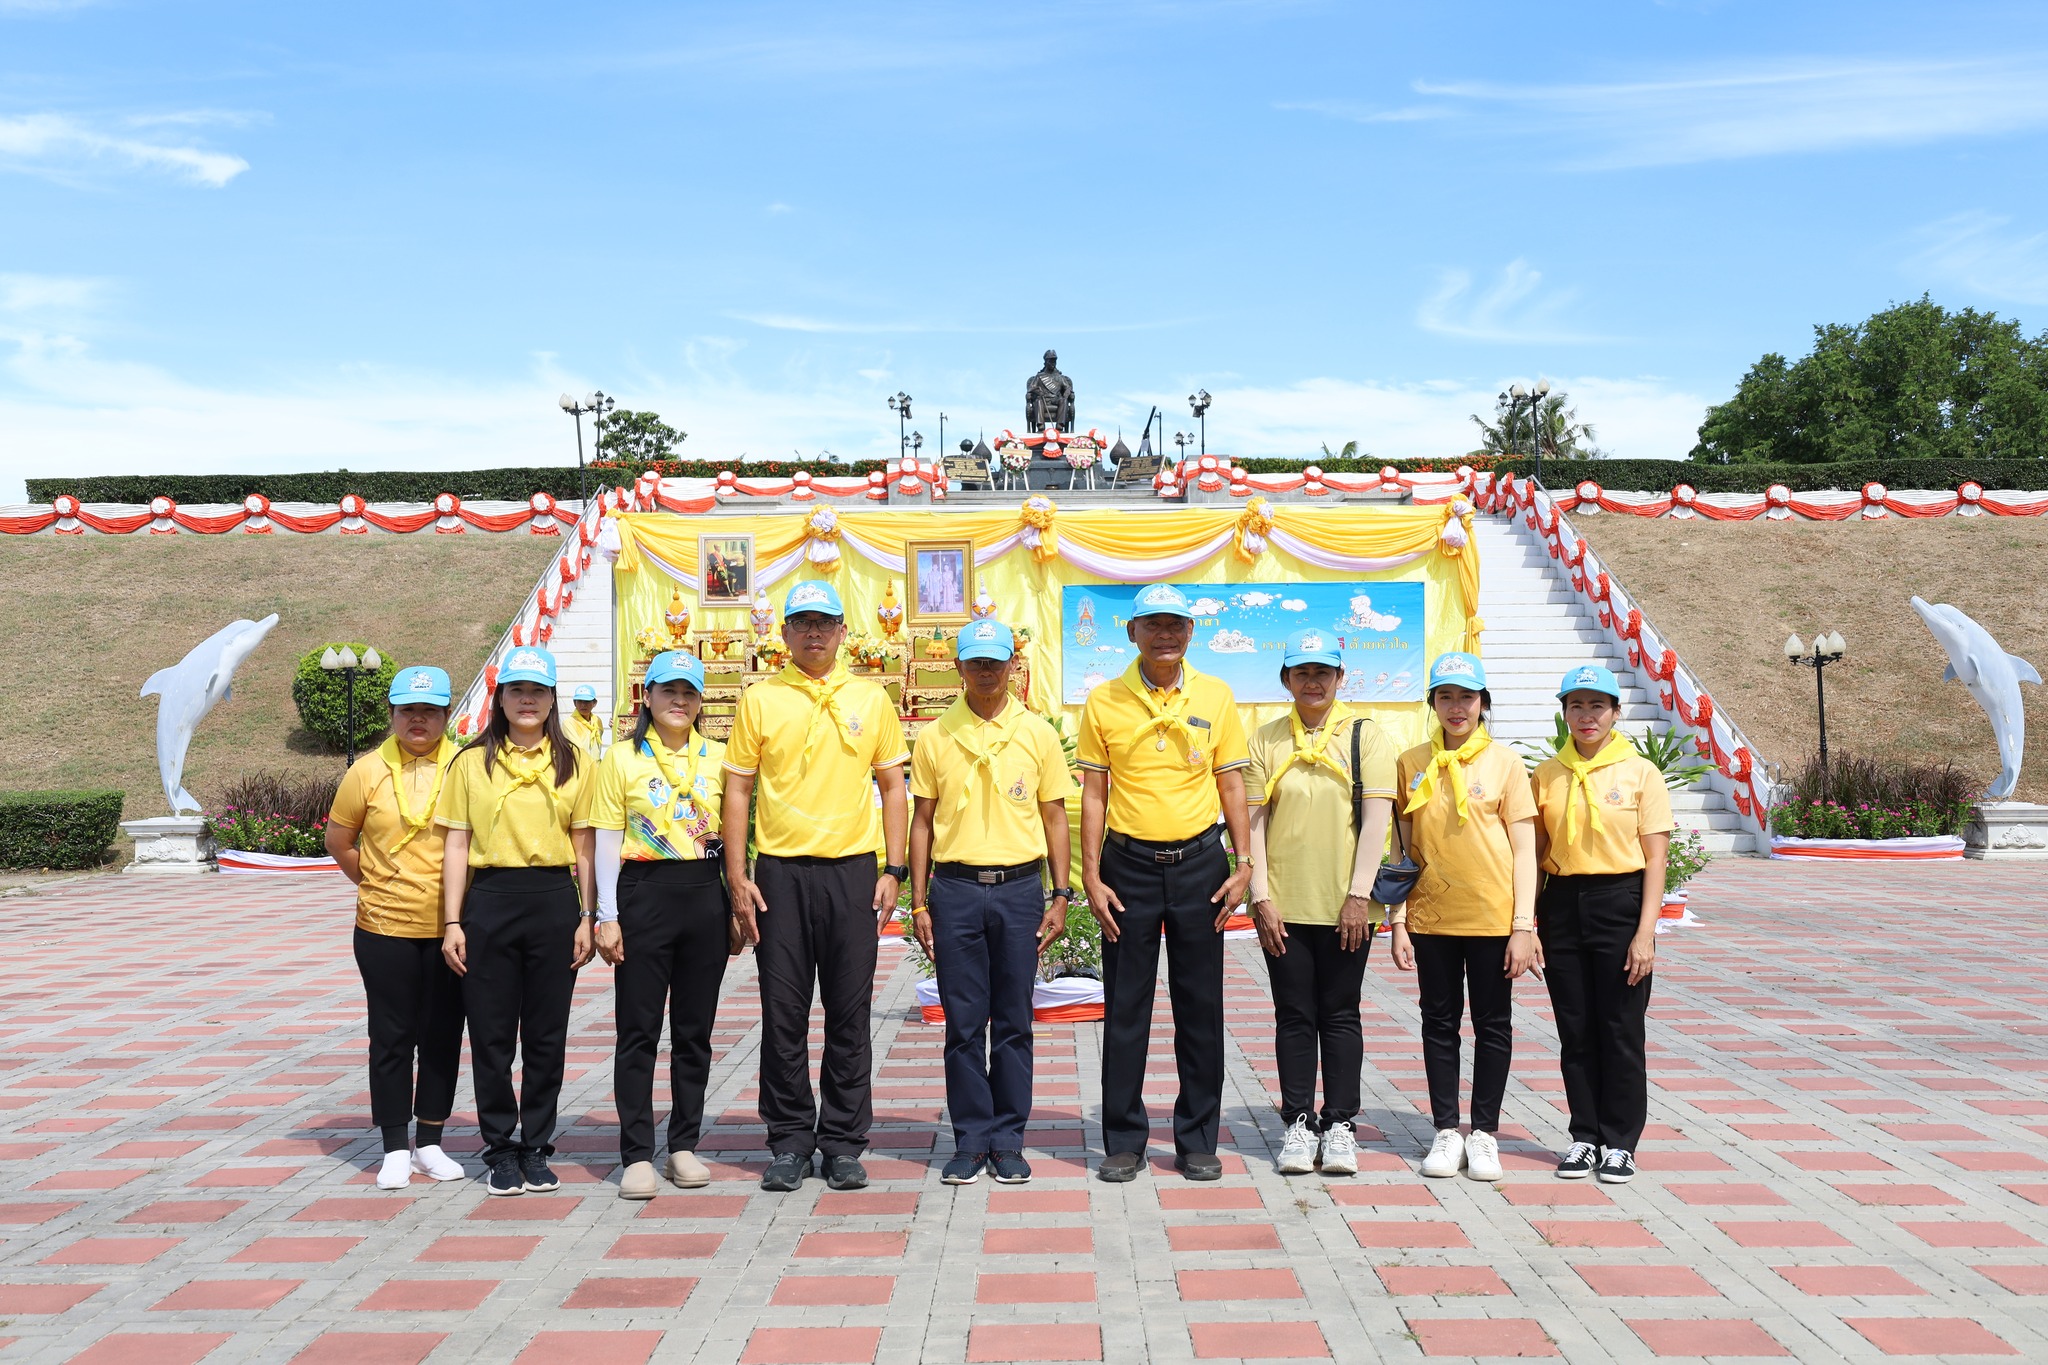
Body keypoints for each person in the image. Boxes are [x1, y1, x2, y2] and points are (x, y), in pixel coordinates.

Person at [723, 579, 910, 1193]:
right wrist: (738, 874)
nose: (812, 633)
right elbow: (739, 790)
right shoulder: (761, 699)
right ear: (783, 634)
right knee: (783, 1012)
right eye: (801, 622)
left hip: (853, 872)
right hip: (780, 873)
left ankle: (843, 1140)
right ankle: (789, 1139)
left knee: (850, 1012)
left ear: (841, 632)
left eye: (823, 623)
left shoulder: (871, 699)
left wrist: (893, 869)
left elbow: (891, 788)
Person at [1077, 582, 1253, 1183]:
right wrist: (1091, 874)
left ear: (1190, 632)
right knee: (1126, 1009)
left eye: (1176, 624)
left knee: (1200, 1008)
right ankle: (1123, 1139)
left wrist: (1244, 862)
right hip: (1127, 869)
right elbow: (1094, 792)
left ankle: (1197, 1138)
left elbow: (1232, 785)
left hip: (1202, 865)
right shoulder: (1104, 701)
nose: (1165, 634)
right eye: (1152, 624)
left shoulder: (1217, 696)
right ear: (1132, 633)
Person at [906, 619, 1073, 1186]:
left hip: (1020, 890)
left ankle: (1008, 1139)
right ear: (958, 667)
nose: (985, 670)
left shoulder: (1037, 734)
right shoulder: (935, 737)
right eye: (975, 661)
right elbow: (922, 821)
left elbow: (1054, 815)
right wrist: (919, 902)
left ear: (1012, 666)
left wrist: (1061, 892)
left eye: (994, 661)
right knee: (962, 1022)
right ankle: (971, 1138)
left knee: (1014, 1020)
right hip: (953, 891)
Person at [436, 646, 595, 1197]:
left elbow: (584, 845)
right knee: (492, 1034)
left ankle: (537, 1146)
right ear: (498, 698)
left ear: (552, 699)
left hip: (553, 900)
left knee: (547, 1035)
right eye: (516, 690)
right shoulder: (470, 762)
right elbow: (456, 844)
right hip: (490, 901)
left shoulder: (575, 761)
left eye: (538, 691)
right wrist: (452, 921)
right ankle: (500, 1148)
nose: (527, 701)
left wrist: (587, 914)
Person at [1246, 630, 1397, 1177]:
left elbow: (1377, 821)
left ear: (1340, 677)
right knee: (1292, 1015)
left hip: (1345, 907)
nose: (1312, 681)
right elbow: (1253, 824)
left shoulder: (1366, 735)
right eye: (1301, 672)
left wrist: (1359, 896)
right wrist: (1260, 896)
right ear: (1286, 679)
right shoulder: (1265, 739)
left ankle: (1339, 1125)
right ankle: (1296, 1122)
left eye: (1323, 672)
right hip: (1283, 905)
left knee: (1339, 1013)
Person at [1389, 652, 1538, 1184]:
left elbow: (1525, 850)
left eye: (1467, 697)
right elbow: (1402, 850)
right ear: (1432, 702)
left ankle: (1485, 1134)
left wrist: (1524, 926)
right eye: (1446, 696)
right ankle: (1447, 1130)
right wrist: (1400, 920)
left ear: (1483, 704)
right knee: (1439, 1023)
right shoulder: (1410, 763)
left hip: (1495, 920)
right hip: (1432, 918)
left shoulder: (1506, 764)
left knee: (1493, 1025)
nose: (1457, 708)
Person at [591, 650, 733, 1200]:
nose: (679, 700)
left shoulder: (720, 757)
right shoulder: (621, 759)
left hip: (703, 894)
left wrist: (737, 904)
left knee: (694, 1033)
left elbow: (737, 833)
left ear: (700, 702)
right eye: (668, 690)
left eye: (689, 692)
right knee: (639, 1030)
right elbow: (605, 837)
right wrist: (607, 915)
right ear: (646, 696)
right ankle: (635, 1153)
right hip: (643, 894)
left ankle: (683, 1145)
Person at [326, 665, 468, 1191]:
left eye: (429, 711)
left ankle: (429, 1141)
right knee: (390, 1036)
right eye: (408, 710)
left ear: (446, 715)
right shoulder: (365, 772)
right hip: (384, 927)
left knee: (442, 1034)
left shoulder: (466, 764)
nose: (418, 720)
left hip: (452, 927)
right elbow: (340, 841)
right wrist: (379, 883)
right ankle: (392, 1146)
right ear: (391, 714)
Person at [1530, 664, 1673, 1185]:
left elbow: (1656, 860)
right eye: (1576, 706)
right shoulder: (1547, 774)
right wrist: (1531, 923)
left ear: (1616, 712)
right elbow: (1538, 853)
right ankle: (1584, 1136)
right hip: (1563, 905)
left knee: (1620, 1028)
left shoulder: (1640, 774)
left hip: (1621, 901)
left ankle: (1621, 1142)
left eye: (1597, 706)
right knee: (1576, 1029)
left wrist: (1644, 933)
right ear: (1564, 712)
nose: (1586, 717)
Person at [565, 684, 608, 758]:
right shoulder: (569, 723)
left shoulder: (597, 721)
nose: (583, 705)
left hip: (597, 767)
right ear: (574, 703)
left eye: (586, 701)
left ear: (594, 703)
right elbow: (577, 751)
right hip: (579, 768)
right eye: (580, 701)